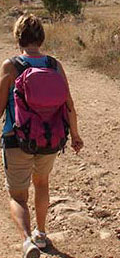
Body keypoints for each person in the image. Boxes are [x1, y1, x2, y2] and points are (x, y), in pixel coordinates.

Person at [0, 14, 84, 258]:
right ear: (41, 38)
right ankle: (42, 233)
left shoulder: (11, 66)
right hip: (50, 139)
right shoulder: (54, 65)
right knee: (42, 184)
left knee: (17, 195)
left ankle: (27, 241)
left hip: (17, 139)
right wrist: (76, 136)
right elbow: (69, 105)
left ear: (18, 38)